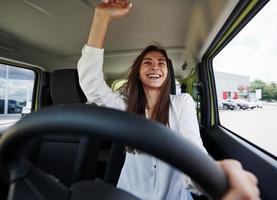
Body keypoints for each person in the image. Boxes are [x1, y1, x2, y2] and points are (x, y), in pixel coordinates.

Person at [77, 1, 260, 199]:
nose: (155, 67)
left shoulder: (182, 102)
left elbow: (193, 145)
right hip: (131, 194)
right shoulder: (125, 106)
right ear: (138, 74)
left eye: (161, 63)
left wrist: (209, 174)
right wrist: (101, 18)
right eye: (147, 63)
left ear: (167, 74)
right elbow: (92, 85)